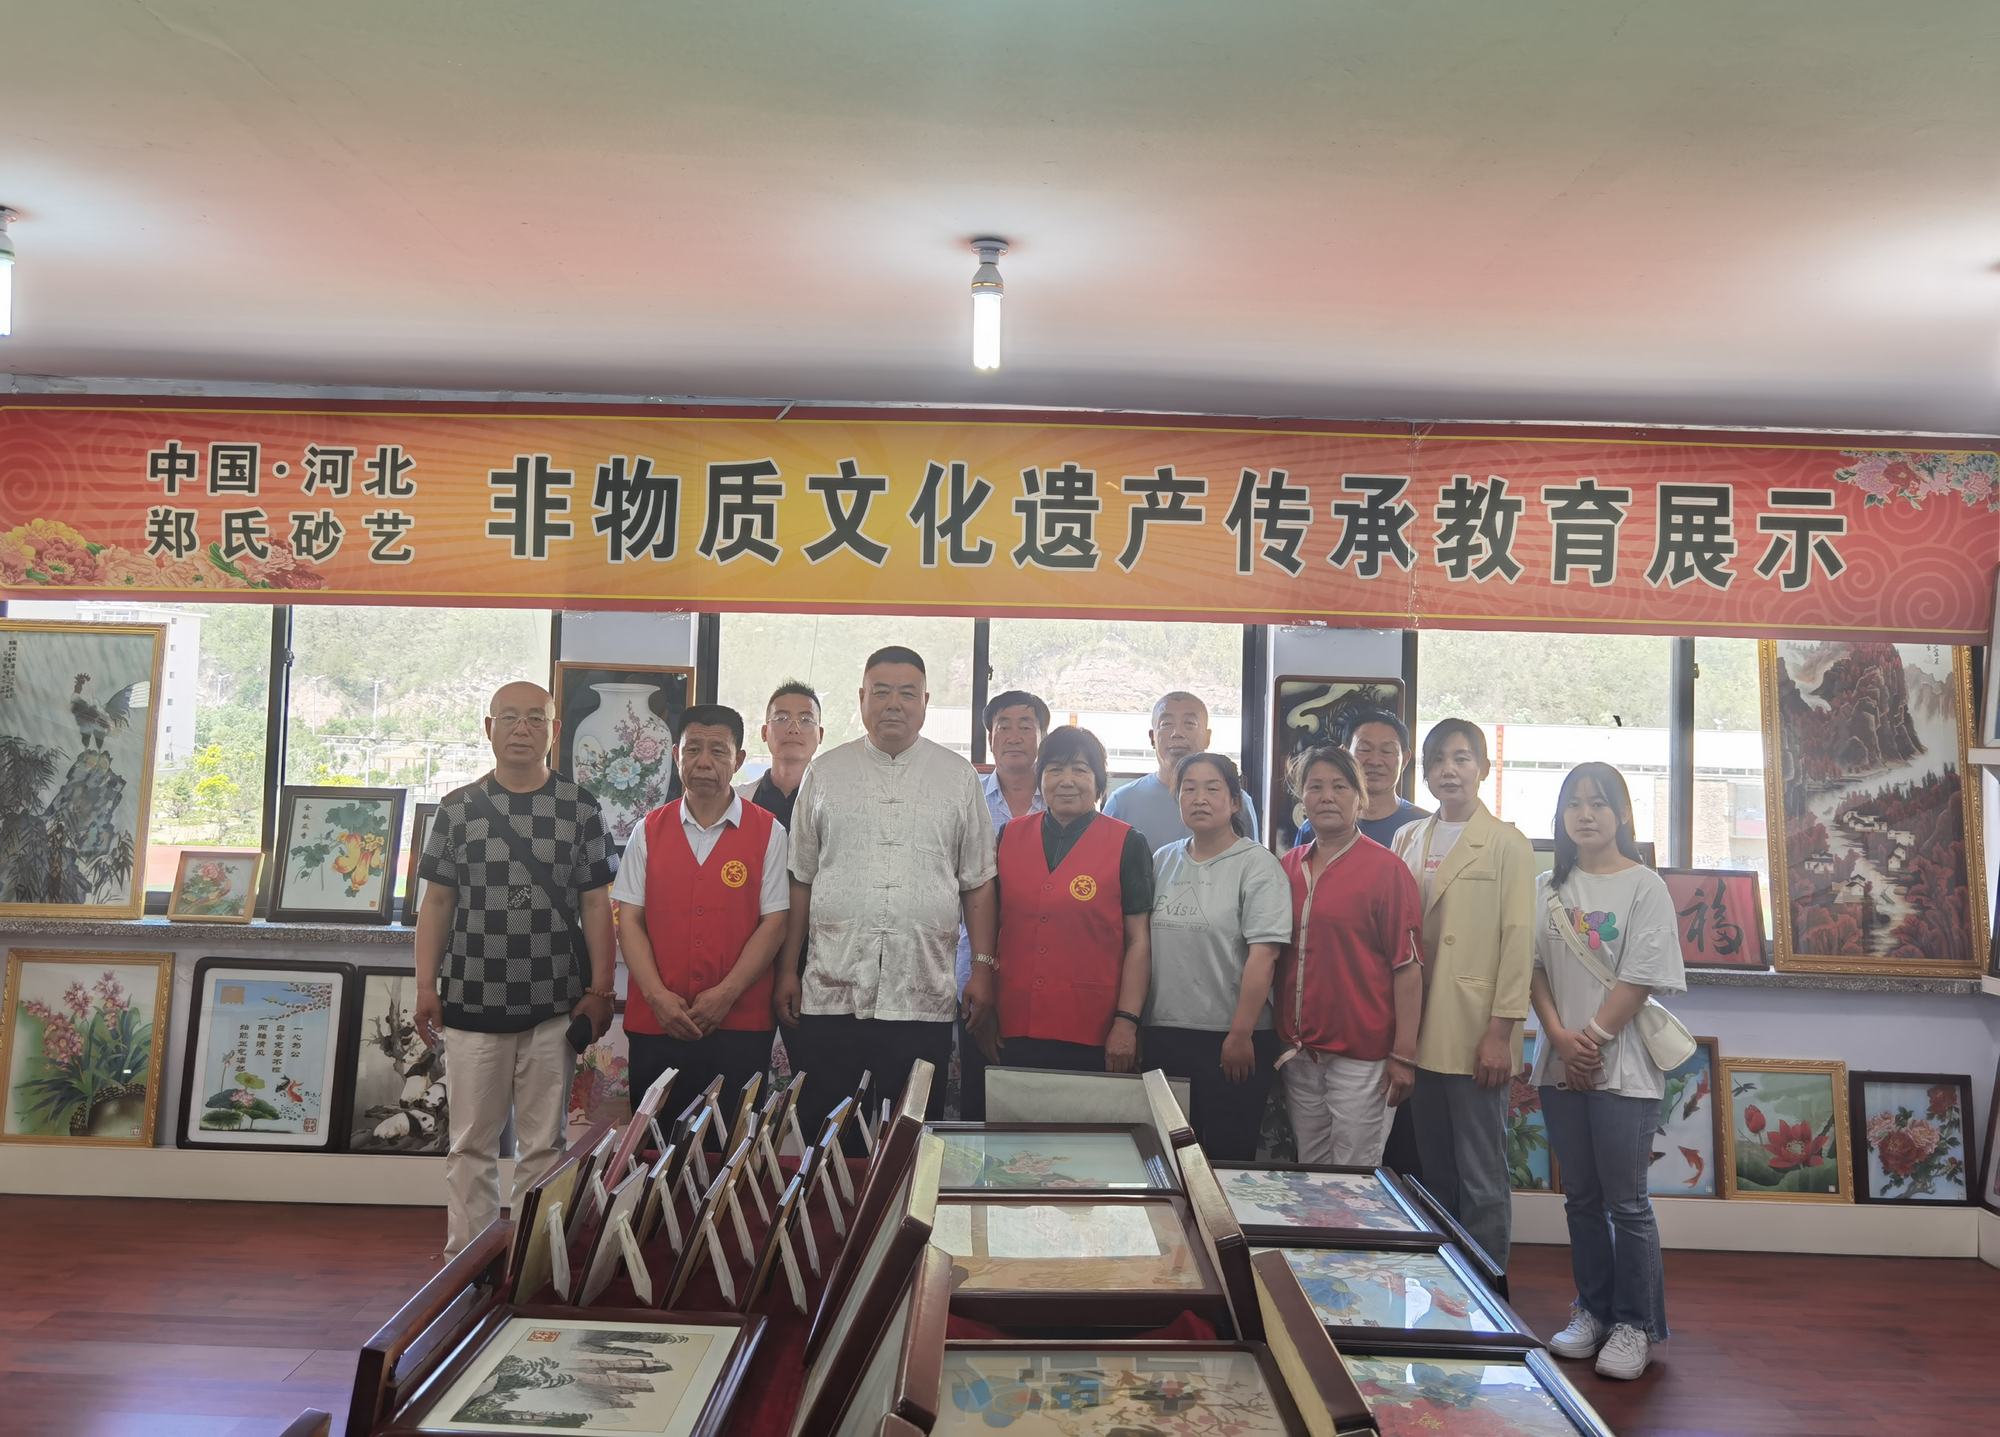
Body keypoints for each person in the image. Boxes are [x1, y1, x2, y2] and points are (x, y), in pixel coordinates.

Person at [415, 680, 617, 1257]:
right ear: (489, 728)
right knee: (470, 1145)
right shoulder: (457, 809)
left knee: (544, 1146)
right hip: (471, 1001)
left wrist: (601, 989)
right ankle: (467, 1263)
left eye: (535, 718)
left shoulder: (580, 807)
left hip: (554, 1004)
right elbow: (437, 902)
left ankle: (533, 1261)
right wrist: (425, 985)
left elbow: (596, 904)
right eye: (509, 717)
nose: (522, 729)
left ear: (554, 731)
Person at [773, 646, 997, 1142]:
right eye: (882, 692)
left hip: (921, 991)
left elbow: (978, 880)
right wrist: (788, 968)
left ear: (926, 702)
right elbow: (801, 878)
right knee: (830, 1137)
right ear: (861, 698)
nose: (894, 703)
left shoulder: (958, 777)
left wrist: (982, 967)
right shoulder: (824, 773)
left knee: (910, 1139)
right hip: (833, 990)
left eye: (907, 693)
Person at [1531, 762, 1683, 1380]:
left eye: (1598, 803)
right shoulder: (1546, 887)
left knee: (1627, 1202)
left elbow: (1640, 976)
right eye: (1574, 803)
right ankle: (1591, 1310)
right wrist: (1559, 1038)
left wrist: (1589, 1040)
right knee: (1581, 1199)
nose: (1585, 814)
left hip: (1624, 1066)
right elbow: (1532, 970)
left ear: (1621, 814)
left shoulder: (1645, 886)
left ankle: (1634, 1325)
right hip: (1560, 1061)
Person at [1390, 718, 1534, 1276]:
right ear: (1423, 772)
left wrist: (1501, 1032)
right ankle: (1448, 1281)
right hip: (1418, 1026)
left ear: (1483, 768)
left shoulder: (1507, 843)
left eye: (1461, 758)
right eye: (1437, 761)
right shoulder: (1408, 837)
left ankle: (1489, 1288)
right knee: (1436, 1169)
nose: (1449, 770)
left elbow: (1518, 943)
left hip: (1475, 1029)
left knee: (1481, 1171)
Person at [613, 704, 789, 1123]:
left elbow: (775, 923)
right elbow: (629, 920)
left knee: (729, 1147)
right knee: (652, 1145)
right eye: (693, 750)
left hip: (740, 1025)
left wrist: (726, 993)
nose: (704, 762)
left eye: (718, 751)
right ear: (677, 755)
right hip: (657, 1022)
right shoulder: (647, 830)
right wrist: (656, 996)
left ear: (739, 759)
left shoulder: (769, 831)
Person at [964, 727, 1154, 1100]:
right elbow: (989, 923)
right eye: (1054, 770)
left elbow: (1138, 942)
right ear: (1040, 779)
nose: (1067, 781)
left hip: (1093, 1028)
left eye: (1080, 770)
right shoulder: (1008, 836)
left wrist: (1127, 1021)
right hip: (1012, 1023)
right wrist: (987, 1001)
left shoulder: (1128, 843)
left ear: (1099, 782)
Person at [1276, 745, 1424, 1165]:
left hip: (1363, 1056)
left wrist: (1404, 1055)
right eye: (1315, 787)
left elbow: (1408, 968)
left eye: (1340, 787)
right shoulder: (1287, 868)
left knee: (1354, 1177)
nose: (1327, 796)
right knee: (1311, 1166)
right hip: (1300, 1053)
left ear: (1360, 798)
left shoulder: (1386, 870)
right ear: (1302, 799)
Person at [1143, 752, 1292, 1161]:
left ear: (1235, 801)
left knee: (1227, 1156)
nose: (1199, 798)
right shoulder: (1162, 860)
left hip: (1232, 1038)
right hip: (1164, 1032)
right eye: (1188, 789)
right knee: (1168, 1157)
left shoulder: (1257, 865)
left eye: (1212, 788)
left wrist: (1241, 1033)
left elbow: (1264, 956)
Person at [955, 689, 1049, 1121]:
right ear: (990, 738)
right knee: (980, 1097)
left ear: (1041, 736)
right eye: (1003, 726)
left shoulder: (1060, 799)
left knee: (1036, 1097)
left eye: (1025, 726)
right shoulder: (968, 798)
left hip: (1040, 967)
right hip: (971, 964)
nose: (1014, 735)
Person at [1105, 691, 1259, 846]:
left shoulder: (1234, 802)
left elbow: (1251, 856)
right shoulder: (1121, 803)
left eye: (1190, 723)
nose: (1177, 733)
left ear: (1207, 737)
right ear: (1152, 737)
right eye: (1166, 724)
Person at [1295, 708, 1429, 848]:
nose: (1375, 761)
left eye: (1387, 751)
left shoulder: (1425, 826)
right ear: (1345, 754)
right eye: (1364, 749)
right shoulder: (1316, 828)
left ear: (1405, 759)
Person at [735, 680, 821, 828]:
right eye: (782, 719)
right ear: (764, 732)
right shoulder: (737, 801)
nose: (793, 729)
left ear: (820, 734)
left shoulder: (834, 801)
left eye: (806, 720)